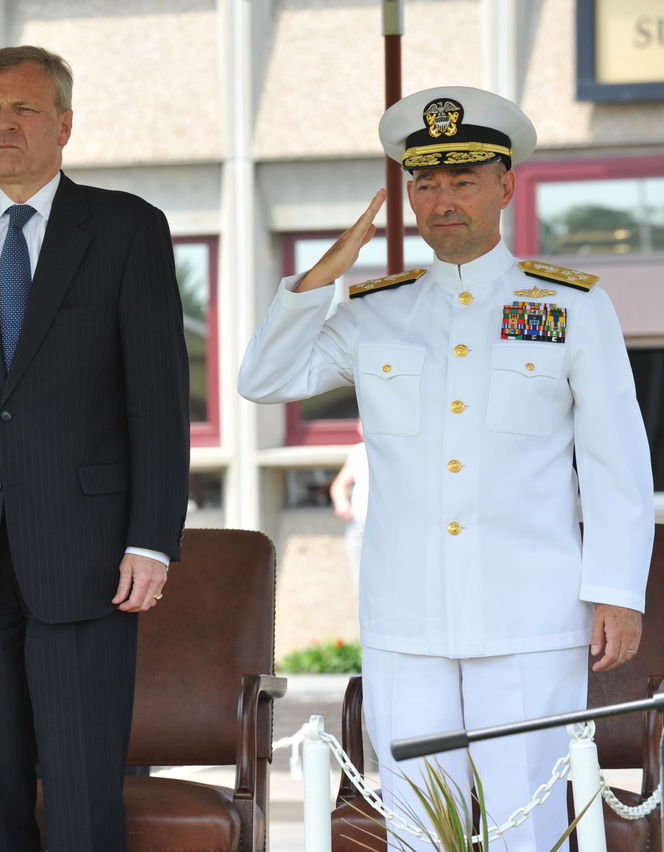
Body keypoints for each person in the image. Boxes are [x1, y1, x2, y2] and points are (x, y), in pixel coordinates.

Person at [238, 86, 653, 852]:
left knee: (525, 825)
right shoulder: (373, 309)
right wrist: (329, 269)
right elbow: (263, 379)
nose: (442, 200)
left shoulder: (568, 307)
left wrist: (617, 592)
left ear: (505, 186)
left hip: (530, 614)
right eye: (424, 183)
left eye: (463, 181)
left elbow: (615, 461)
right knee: (419, 828)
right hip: (409, 620)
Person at [0, 45, 191, 852]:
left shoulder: (126, 229)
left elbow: (160, 403)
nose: (3, 125)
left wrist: (152, 540)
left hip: (88, 556)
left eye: (22, 109)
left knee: (86, 788)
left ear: (64, 123)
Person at [329, 424, 367, 586]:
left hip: (391, 526)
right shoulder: (359, 451)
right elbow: (339, 485)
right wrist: (342, 504)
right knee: (361, 579)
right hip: (359, 524)